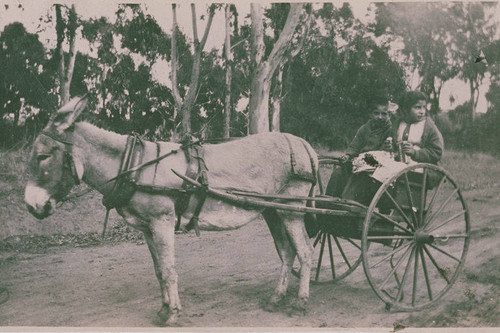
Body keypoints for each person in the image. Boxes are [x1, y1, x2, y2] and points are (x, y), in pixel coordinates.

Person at [325, 101, 393, 198]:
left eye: (384, 114)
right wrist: (348, 155)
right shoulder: (365, 128)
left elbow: (390, 151)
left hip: (378, 167)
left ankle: (348, 202)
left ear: (389, 115)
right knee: (338, 173)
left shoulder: (390, 129)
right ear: (371, 114)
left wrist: (389, 147)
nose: (380, 117)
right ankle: (328, 202)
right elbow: (354, 146)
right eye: (376, 113)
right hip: (361, 161)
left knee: (360, 175)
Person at [393, 90, 444, 164]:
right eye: (417, 107)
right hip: (399, 167)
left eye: (424, 107)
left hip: (420, 169)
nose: (422, 111)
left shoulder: (428, 127)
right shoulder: (398, 124)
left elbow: (437, 152)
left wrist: (415, 152)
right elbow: (394, 146)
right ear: (406, 109)